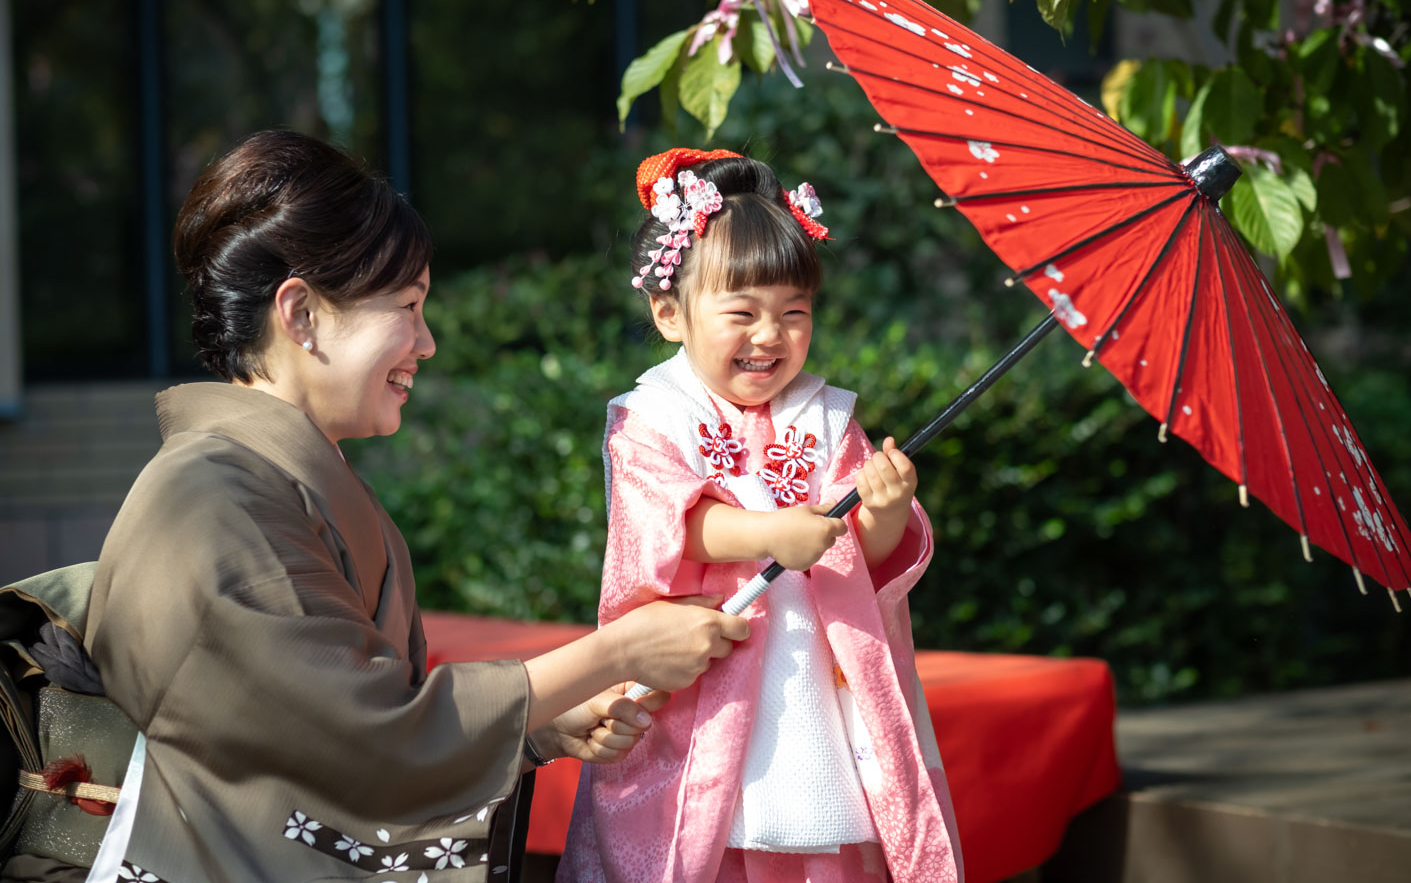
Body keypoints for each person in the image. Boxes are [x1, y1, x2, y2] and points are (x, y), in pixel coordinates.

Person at [55, 130, 749, 883]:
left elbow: (357, 730)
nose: (427, 342)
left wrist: (535, 731)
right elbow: (367, 737)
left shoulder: (260, 482)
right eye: (407, 307)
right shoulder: (210, 498)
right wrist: (613, 653)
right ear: (301, 314)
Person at [558, 150, 962, 883]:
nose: (770, 336)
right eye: (742, 313)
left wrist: (885, 511)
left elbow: (856, 557)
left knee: (821, 843)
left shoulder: (828, 417)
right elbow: (667, 528)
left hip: (812, 685)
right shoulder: (650, 417)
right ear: (669, 313)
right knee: (702, 836)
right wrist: (774, 532)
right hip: (703, 685)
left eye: (793, 314)